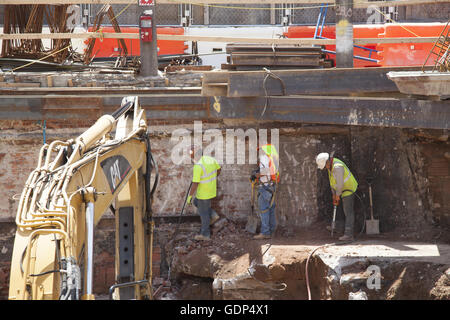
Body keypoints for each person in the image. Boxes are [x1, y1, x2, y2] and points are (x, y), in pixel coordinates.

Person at [315, 152, 358, 241]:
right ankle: (338, 227)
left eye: (324, 166)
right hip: (341, 189)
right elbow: (332, 182)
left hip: (348, 188)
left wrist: (337, 195)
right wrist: (334, 194)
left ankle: (349, 235)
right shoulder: (330, 166)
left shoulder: (337, 167)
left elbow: (340, 183)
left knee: (348, 211)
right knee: (341, 210)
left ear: (327, 162)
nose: (325, 168)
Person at [186, 144, 221, 241]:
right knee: (196, 202)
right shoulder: (210, 159)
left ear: (195, 155)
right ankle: (213, 214)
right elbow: (219, 169)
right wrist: (212, 178)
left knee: (203, 214)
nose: (191, 158)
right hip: (211, 190)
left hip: (203, 193)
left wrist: (189, 197)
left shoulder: (198, 166)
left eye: (191, 156)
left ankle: (205, 235)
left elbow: (195, 183)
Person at [251, 144, 280, 240]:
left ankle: (265, 232)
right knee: (271, 208)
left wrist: (256, 175)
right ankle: (272, 230)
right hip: (272, 186)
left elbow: (265, 171)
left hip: (266, 186)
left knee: (264, 209)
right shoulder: (271, 158)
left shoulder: (263, 157)